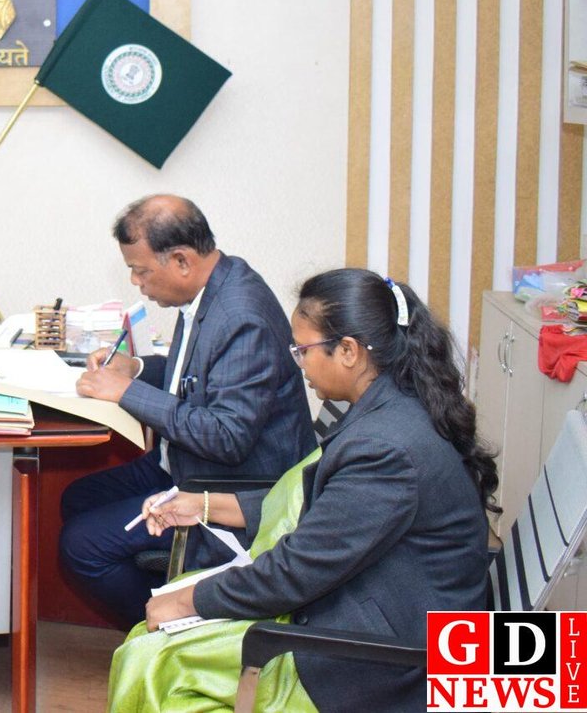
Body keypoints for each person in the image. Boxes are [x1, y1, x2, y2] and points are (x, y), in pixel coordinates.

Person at [108, 269, 496, 713]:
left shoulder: (385, 448)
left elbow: (296, 572)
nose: (299, 363)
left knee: (151, 661)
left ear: (348, 351)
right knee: (156, 641)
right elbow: (327, 507)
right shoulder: (395, 406)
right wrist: (206, 505)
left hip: (389, 662)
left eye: (303, 350)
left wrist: (186, 601)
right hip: (380, 607)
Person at [59, 195, 315, 627]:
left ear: (181, 261)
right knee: (77, 498)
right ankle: (168, 602)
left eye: (141, 270)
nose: (136, 282)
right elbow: (194, 376)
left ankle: (166, 624)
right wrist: (136, 369)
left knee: (82, 546)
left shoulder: (241, 317)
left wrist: (125, 392)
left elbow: (227, 437)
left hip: (230, 488)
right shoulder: (210, 287)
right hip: (183, 462)